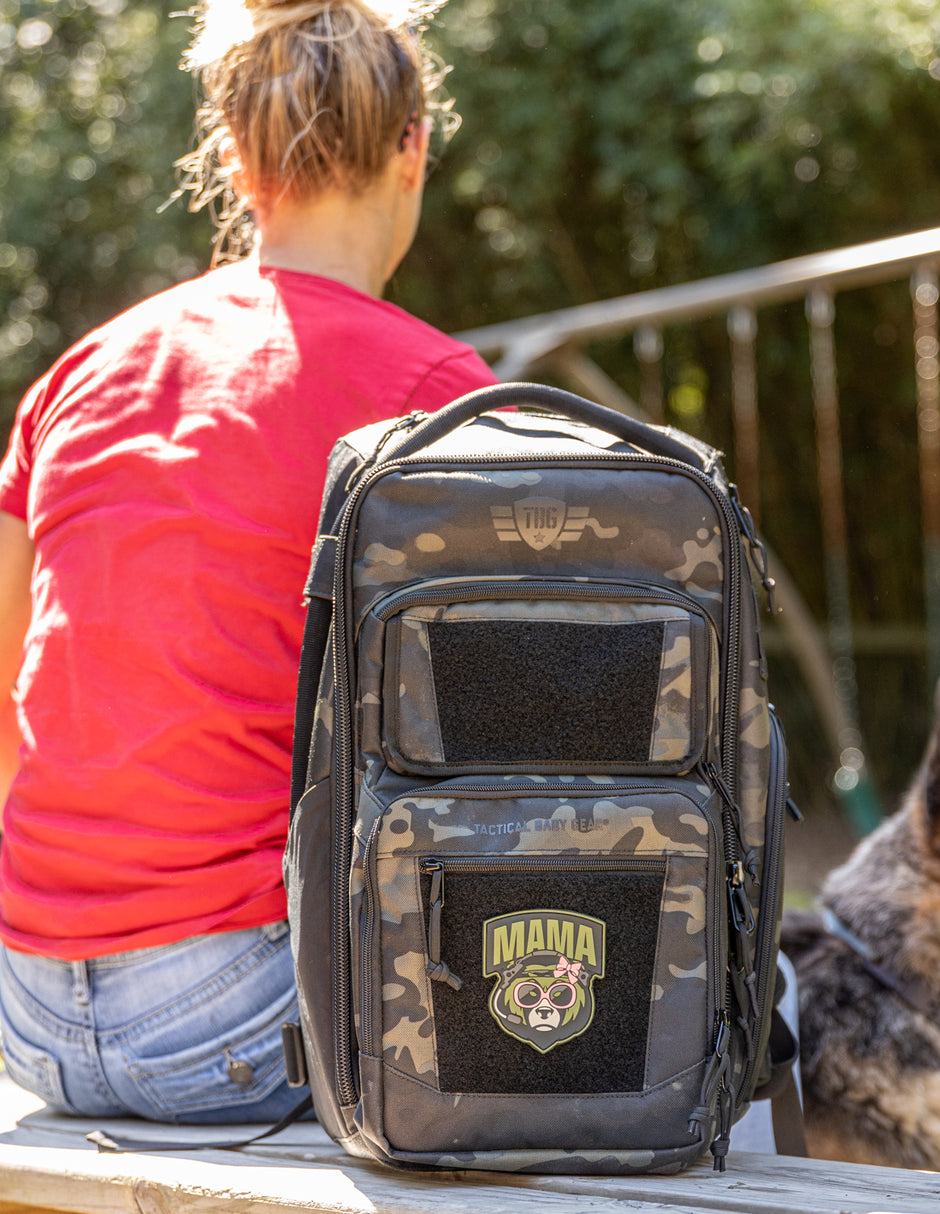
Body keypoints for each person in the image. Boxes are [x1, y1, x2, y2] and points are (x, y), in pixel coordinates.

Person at [0, 0, 495, 1123]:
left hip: (24, 1000)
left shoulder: (81, 373)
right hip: (236, 1016)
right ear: (414, 146)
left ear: (235, 156)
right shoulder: (432, 393)